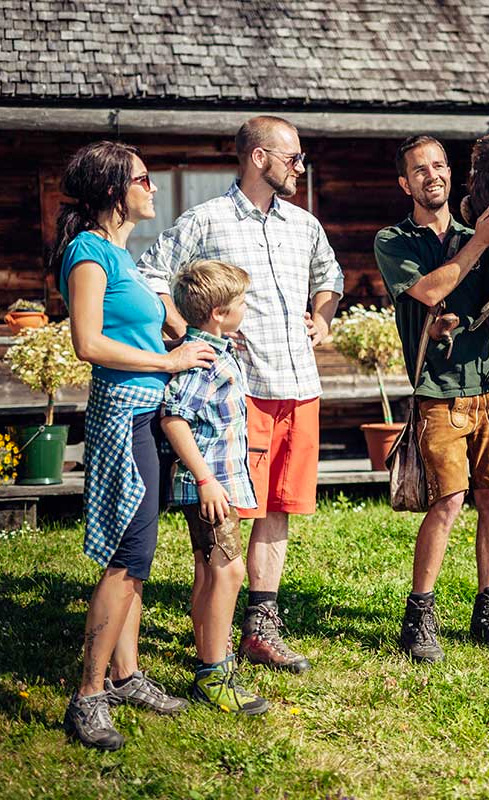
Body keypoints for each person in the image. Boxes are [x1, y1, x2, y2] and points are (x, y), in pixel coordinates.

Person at [139, 116, 343, 673]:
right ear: (259, 158)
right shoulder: (206, 220)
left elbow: (332, 274)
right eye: (293, 157)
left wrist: (322, 319)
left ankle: (261, 627)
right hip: (241, 392)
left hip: (300, 388)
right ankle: (214, 632)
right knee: (227, 517)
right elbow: (151, 273)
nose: (300, 167)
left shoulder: (304, 225)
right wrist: (185, 335)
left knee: (279, 507)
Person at [55, 141, 217, 750]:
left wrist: (202, 338)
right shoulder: (89, 254)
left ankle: (124, 675)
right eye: (142, 180)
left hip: (148, 415)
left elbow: (166, 327)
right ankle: (88, 695)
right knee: (127, 556)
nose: (152, 188)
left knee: (139, 555)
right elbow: (88, 343)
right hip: (123, 415)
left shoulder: (124, 256)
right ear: (111, 192)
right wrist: (167, 360)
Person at [374, 135, 489, 663]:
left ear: (450, 174)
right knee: (448, 501)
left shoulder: (484, 237)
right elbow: (428, 292)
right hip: (440, 391)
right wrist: (478, 242)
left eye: (439, 165)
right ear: (405, 183)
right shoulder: (395, 240)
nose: (432, 175)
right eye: (419, 170)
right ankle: (420, 615)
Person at [161, 259, 269, 715]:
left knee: (210, 569)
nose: (247, 306)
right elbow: (174, 418)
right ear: (219, 312)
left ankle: (209, 656)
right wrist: (205, 479)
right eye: (241, 301)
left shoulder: (215, 348)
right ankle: (214, 673)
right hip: (210, 485)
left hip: (215, 483)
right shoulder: (203, 362)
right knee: (228, 571)